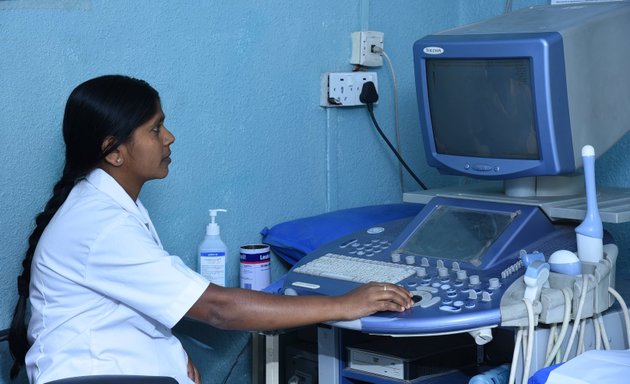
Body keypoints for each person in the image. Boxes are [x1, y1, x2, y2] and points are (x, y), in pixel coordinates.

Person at [8, 75, 414, 384]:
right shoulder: (101, 225)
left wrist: (170, 352)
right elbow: (219, 310)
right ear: (114, 150)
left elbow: (131, 306)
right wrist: (346, 303)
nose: (169, 137)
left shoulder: (104, 206)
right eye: (154, 129)